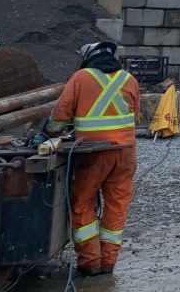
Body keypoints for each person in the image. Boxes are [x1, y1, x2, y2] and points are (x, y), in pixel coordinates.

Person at [45, 42, 139, 277]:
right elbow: (135, 116)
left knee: (81, 203)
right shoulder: (129, 79)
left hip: (93, 154)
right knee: (117, 206)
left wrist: (50, 133)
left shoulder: (80, 78)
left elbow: (60, 114)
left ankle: (90, 262)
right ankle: (108, 262)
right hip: (125, 154)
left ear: (88, 58)